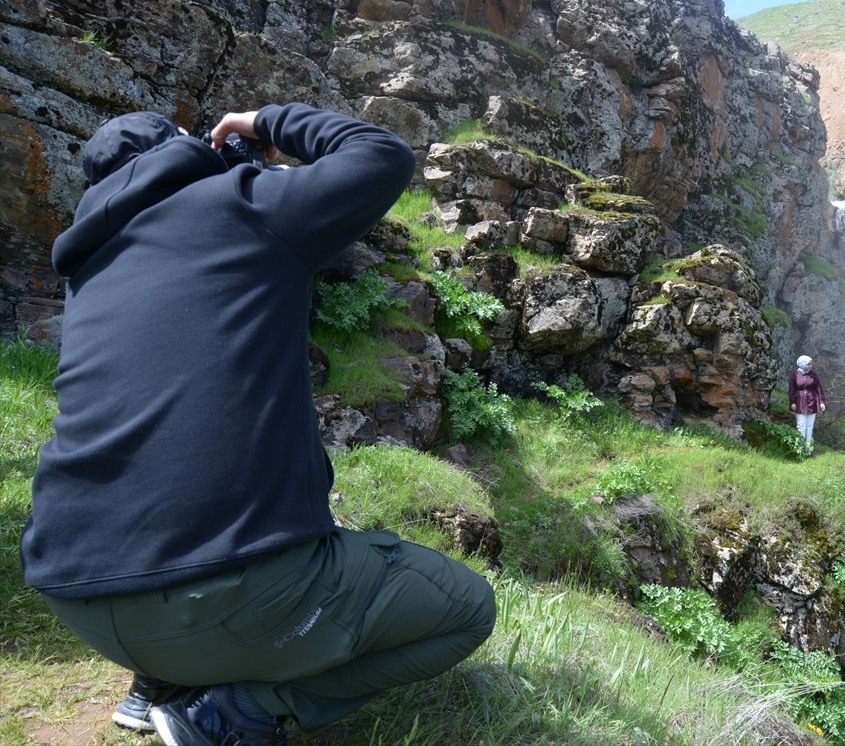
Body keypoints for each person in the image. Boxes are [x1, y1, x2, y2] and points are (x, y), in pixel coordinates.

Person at [20, 103, 496, 745]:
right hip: (213, 596)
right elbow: (382, 153)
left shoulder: (88, 270)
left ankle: (159, 681)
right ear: (186, 153)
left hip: (73, 590)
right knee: (467, 609)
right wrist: (261, 122)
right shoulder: (242, 204)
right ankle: (237, 710)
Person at [787, 354, 826, 454]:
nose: (810, 366)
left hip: (812, 402)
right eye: (808, 364)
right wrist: (792, 402)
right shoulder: (795, 375)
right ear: (802, 364)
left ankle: (807, 449)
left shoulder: (813, 375)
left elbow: (819, 389)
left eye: (811, 364)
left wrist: (821, 401)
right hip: (800, 402)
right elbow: (792, 389)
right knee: (801, 426)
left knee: (809, 426)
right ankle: (799, 449)